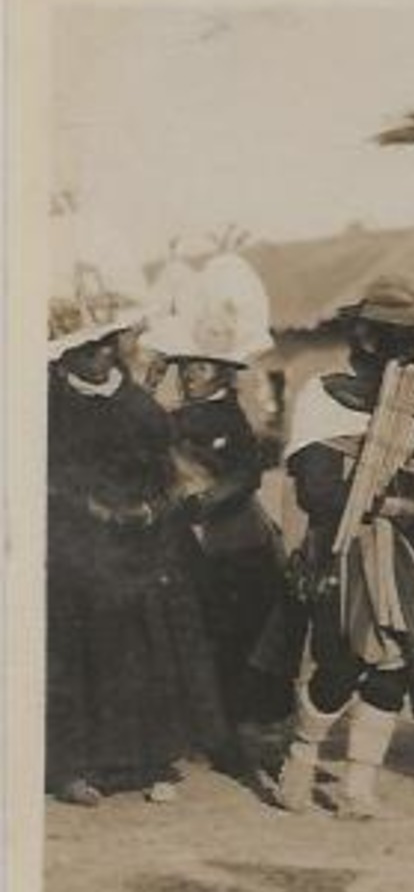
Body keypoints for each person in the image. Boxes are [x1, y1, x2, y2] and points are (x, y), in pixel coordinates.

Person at [273, 276, 414, 819]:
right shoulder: (322, 397)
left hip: (399, 555)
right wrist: (387, 506)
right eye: (395, 337)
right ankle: (299, 761)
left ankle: (357, 787)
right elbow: (316, 489)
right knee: (340, 664)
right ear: (366, 340)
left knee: (394, 666)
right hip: (340, 550)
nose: (408, 350)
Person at [46, 297, 229, 805]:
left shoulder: (138, 405)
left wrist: (151, 509)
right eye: (88, 347)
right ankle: (70, 765)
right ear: (65, 356)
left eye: (108, 343)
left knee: (141, 644)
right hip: (71, 544)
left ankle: (145, 757)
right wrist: (87, 507)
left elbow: (171, 471)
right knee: (75, 647)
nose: (102, 354)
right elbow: (39, 472)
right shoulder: (47, 402)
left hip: (140, 542)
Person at [153, 316, 298, 776]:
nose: (191, 374)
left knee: (238, 631)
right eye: (186, 366)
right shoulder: (171, 420)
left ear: (221, 372)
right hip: (184, 536)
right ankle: (201, 725)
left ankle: (237, 727)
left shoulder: (234, 420)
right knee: (192, 628)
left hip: (232, 539)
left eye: (201, 366)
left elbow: (247, 473)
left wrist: (204, 501)